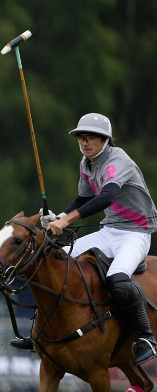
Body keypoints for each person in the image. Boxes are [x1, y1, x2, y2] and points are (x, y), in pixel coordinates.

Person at [32, 113, 157, 365]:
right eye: (81, 138)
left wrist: (67, 221)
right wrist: (60, 215)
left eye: (91, 138)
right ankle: (40, 331)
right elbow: (84, 198)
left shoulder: (117, 160)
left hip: (135, 233)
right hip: (109, 230)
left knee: (118, 280)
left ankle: (146, 338)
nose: (85, 143)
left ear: (105, 140)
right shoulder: (86, 163)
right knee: (56, 262)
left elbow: (106, 197)